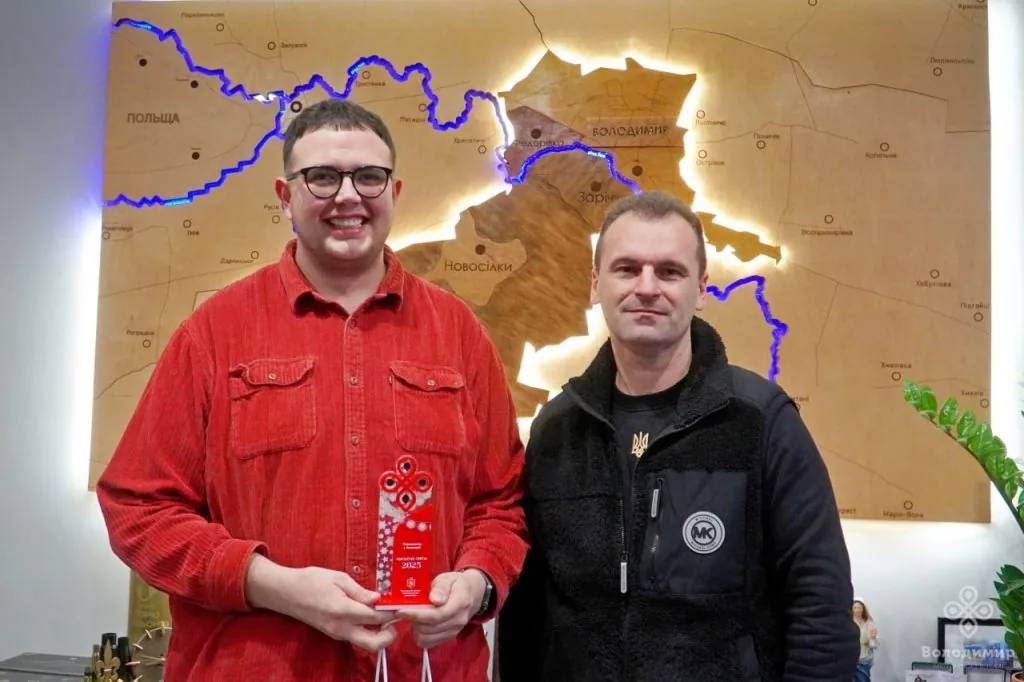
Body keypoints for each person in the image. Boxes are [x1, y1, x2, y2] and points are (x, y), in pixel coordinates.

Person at [96, 97, 528, 682]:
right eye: (322, 177)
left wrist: (477, 584)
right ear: (286, 196)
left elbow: (500, 504)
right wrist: (270, 584)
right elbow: (138, 508)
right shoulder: (214, 333)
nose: (348, 196)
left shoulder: (459, 335)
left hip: (424, 668)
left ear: (394, 192)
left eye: (369, 177)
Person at [496, 190, 861, 681]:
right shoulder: (557, 429)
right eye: (627, 269)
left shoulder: (760, 420)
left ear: (702, 288)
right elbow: (526, 611)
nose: (647, 287)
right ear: (595, 284)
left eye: (669, 272)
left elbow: (820, 602)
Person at [852, 599, 879, 681]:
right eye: (855, 608)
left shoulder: (868, 624)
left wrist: (872, 638)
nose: (857, 610)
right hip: (850, 659)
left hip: (863, 659)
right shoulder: (848, 624)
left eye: (859, 608)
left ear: (863, 609)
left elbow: (873, 645)